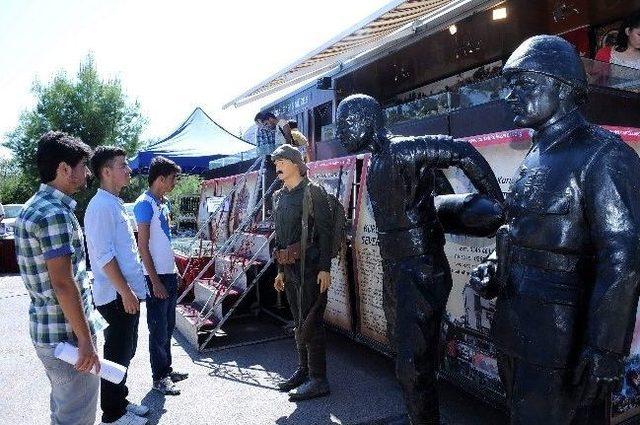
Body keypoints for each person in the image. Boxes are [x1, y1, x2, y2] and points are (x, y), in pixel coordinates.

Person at [470, 35, 640, 424]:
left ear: (563, 88)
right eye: (509, 82)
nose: (510, 93)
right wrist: (496, 263)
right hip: (517, 326)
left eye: (523, 82)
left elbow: (623, 258)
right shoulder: (539, 152)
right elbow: (522, 229)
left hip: (566, 340)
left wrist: (605, 348)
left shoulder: (603, 155)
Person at [335, 94, 504, 424]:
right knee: (404, 356)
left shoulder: (402, 148)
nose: (340, 134)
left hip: (420, 269)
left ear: (363, 122)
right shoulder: (377, 160)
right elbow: (429, 188)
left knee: (413, 363)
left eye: (344, 125)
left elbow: (462, 152)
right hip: (396, 268)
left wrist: (495, 202)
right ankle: (418, 418)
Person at [14, 131, 103, 425]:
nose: (88, 173)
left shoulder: (35, 206)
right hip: (67, 338)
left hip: (50, 332)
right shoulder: (54, 214)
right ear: (65, 169)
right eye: (83, 166)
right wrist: (86, 341)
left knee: (64, 412)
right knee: (76, 417)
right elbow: (64, 283)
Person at [85, 146, 149, 425]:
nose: (129, 169)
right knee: (116, 354)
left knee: (126, 351)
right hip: (115, 296)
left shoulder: (114, 203)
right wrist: (125, 292)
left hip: (126, 294)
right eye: (122, 165)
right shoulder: (100, 206)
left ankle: (120, 401)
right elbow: (103, 256)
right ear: (106, 172)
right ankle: (112, 414)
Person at [271, 144, 333, 401]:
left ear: (296, 163)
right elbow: (280, 237)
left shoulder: (313, 191)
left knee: (312, 322)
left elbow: (326, 232)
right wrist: (280, 271)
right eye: (276, 163)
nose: (278, 167)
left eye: (282, 162)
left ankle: (319, 379)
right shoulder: (280, 196)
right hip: (290, 268)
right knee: (298, 322)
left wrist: (325, 268)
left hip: (310, 268)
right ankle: (304, 370)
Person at [134, 156, 188, 396]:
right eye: (173, 179)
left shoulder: (161, 204)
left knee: (168, 326)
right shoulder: (144, 204)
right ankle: (159, 377)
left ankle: (166, 369)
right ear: (161, 178)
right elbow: (143, 246)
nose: (174, 183)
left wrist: (174, 269)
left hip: (167, 273)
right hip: (155, 277)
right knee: (157, 328)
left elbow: (165, 243)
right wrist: (154, 281)